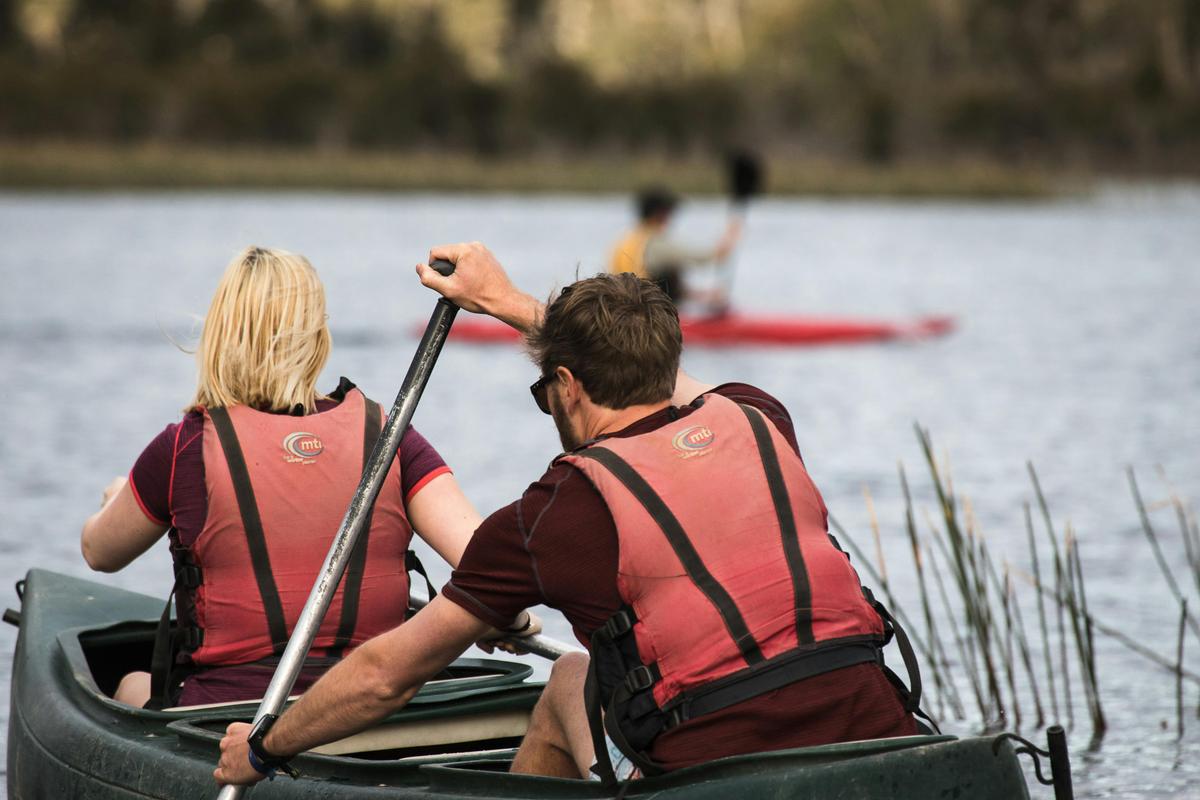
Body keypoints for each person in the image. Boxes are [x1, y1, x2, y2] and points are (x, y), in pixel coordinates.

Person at [215, 241, 920, 788]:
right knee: (579, 677)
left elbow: (383, 677)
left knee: (566, 683)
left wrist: (265, 746)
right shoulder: (761, 416)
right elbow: (675, 384)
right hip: (880, 733)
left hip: (719, 776)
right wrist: (509, 300)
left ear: (566, 387)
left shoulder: (554, 513)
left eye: (545, 391)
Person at [80, 245, 534, 710]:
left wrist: (117, 498)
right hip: (371, 711)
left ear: (220, 333)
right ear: (316, 335)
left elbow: (99, 552)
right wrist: (510, 620)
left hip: (226, 713)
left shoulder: (183, 448)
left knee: (133, 685)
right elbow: (489, 564)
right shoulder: (388, 434)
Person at [608, 187, 741, 307]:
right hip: (644, 313)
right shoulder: (657, 244)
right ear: (659, 214)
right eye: (668, 213)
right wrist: (731, 236)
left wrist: (702, 295)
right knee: (671, 272)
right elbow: (707, 257)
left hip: (621, 307)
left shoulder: (626, 239)